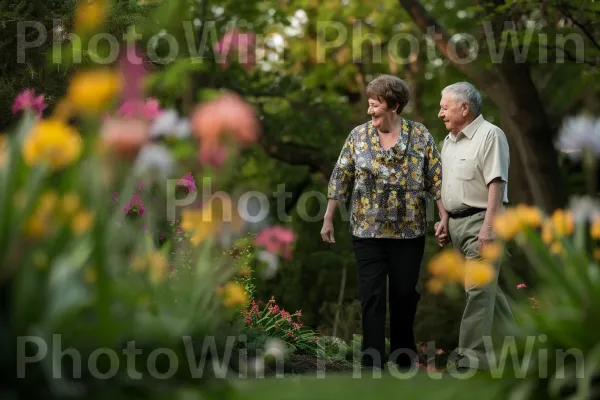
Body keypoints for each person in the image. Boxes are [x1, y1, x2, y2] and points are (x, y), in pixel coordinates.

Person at [320, 74, 447, 370]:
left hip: (409, 233)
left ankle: (403, 361)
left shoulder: (420, 136)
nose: (369, 111)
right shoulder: (358, 137)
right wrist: (328, 217)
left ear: (392, 105)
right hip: (367, 232)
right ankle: (372, 364)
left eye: (374, 105)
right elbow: (341, 177)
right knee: (372, 297)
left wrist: (444, 216)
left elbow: (437, 180)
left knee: (404, 295)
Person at [434, 82, 514, 372]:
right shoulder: (448, 142)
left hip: (483, 222)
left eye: (445, 107)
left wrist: (489, 227)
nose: (440, 113)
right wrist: (444, 219)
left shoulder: (490, 135)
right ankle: (524, 348)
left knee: (478, 290)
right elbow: (447, 187)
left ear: (464, 108)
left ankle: (471, 360)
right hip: (456, 225)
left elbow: (496, 182)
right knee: (489, 293)